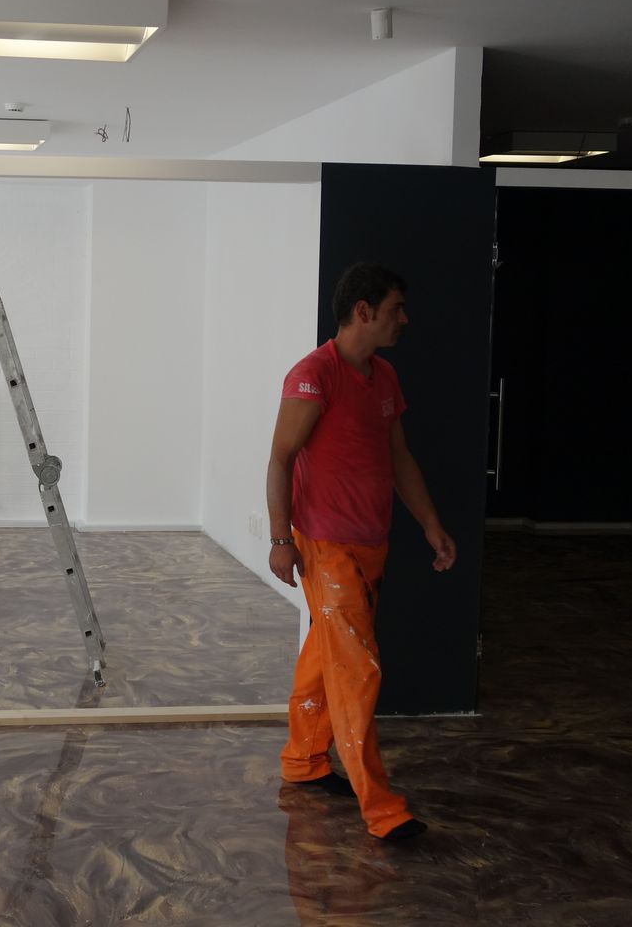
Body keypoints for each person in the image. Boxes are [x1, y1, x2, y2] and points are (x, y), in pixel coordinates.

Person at [264, 262, 456, 843]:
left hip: (371, 541)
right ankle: (382, 809)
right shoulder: (313, 375)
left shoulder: (385, 376)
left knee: (326, 654)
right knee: (357, 671)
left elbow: (399, 458)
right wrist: (280, 539)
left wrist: (431, 525)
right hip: (326, 545)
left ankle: (304, 760)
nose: (405, 319)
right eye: (397, 309)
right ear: (363, 311)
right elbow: (280, 458)